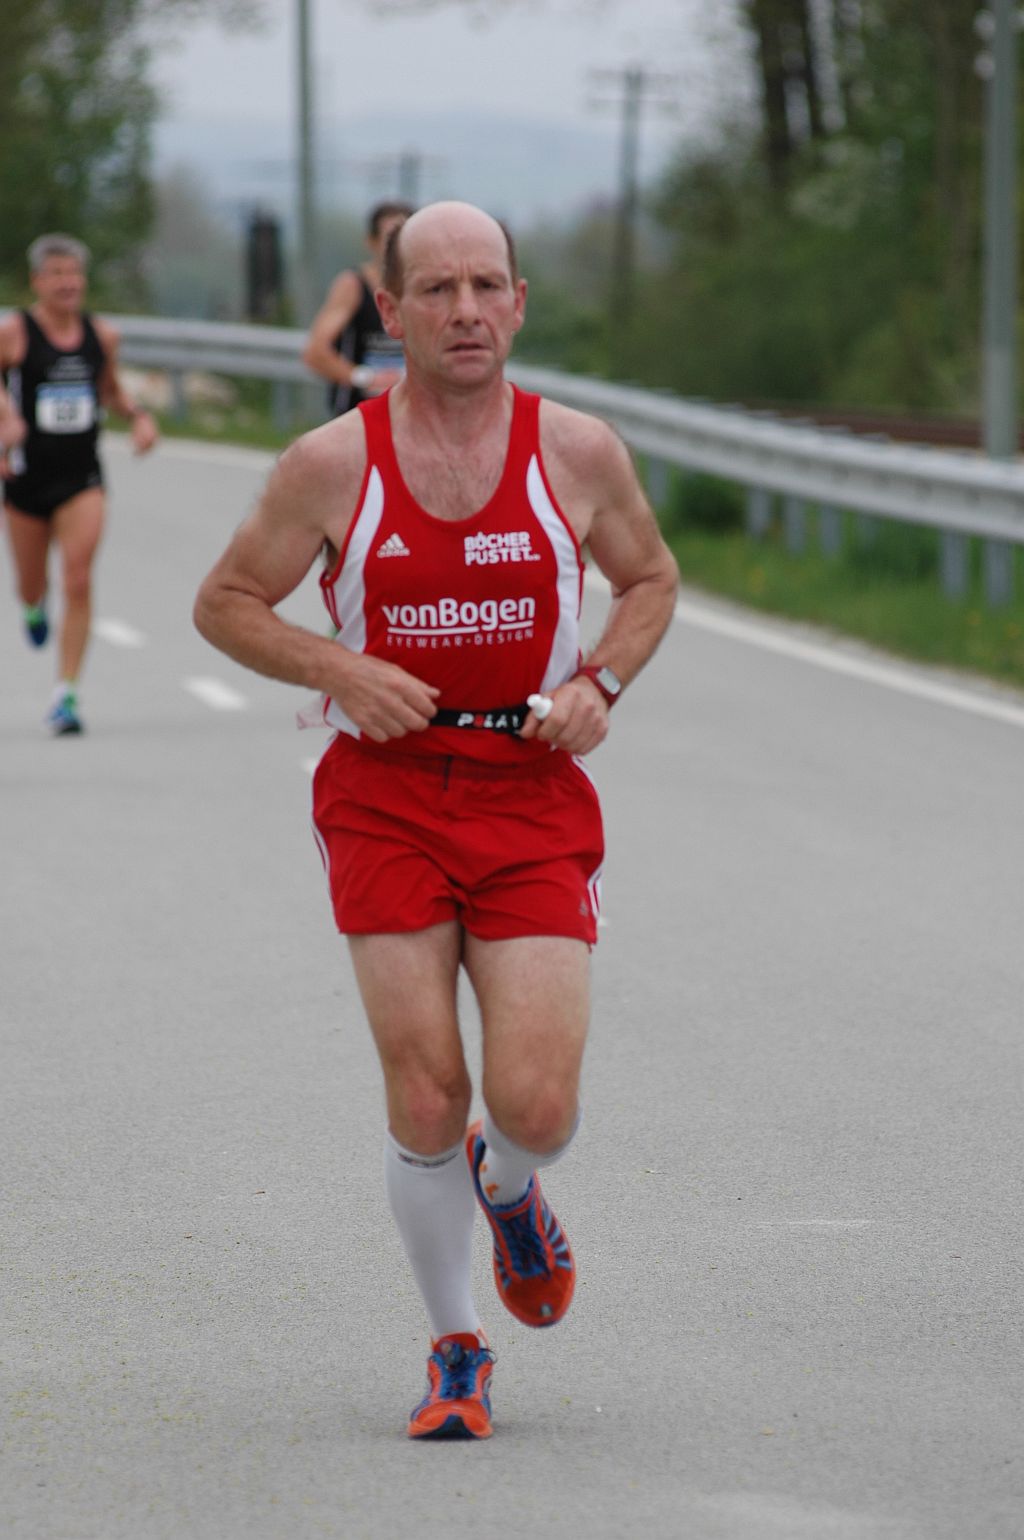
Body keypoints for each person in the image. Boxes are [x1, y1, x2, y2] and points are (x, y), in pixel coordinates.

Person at [194, 200, 679, 1440]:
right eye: (437, 289)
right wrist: (340, 669)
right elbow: (227, 600)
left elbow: (649, 577)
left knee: (535, 1106)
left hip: (530, 791)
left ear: (517, 302)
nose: (465, 310)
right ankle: (457, 1347)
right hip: (385, 796)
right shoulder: (331, 464)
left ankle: (508, 1186)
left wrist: (599, 683)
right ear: (391, 310)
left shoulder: (576, 451)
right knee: (423, 1092)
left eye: (486, 286)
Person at [1, 233, 159, 735]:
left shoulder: (102, 335)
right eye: (57, 274)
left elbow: (109, 390)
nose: (67, 283)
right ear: (37, 281)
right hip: (26, 478)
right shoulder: (15, 333)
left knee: (78, 577)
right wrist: (6, 419)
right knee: (32, 585)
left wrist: (138, 416)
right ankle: (32, 607)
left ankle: (66, 694)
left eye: (74, 274)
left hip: (81, 478)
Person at [302, 201, 413, 417]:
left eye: (405, 239)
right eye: (389, 239)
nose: (397, 248)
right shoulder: (352, 285)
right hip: (358, 416)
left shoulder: (426, 289)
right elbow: (315, 353)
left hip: (409, 415)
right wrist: (365, 377)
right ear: (371, 241)